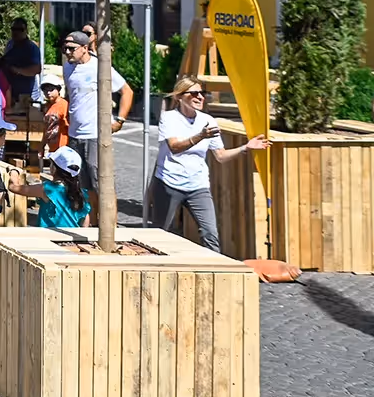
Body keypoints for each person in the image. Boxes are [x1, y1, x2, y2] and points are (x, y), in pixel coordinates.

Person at [150, 77, 268, 252]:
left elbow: (220, 155)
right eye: (194, 93)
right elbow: (174, 147)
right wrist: (200, 136)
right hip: (168, 183)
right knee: (159, 235)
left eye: (203, 93)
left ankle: (215, 271)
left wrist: (246, 147)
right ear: (180, 97)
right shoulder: (169, 118)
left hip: (198, 186)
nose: (200, 97)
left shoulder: (208, 120)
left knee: (210, 233)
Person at [63, 31, 131, 194]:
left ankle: (108, 220)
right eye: (64, 48)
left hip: (94, 134)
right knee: (80, 183)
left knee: (100, 182)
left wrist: (120, 120)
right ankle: (90, 219)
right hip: (74, 134)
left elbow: (127, 91)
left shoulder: (99, 67)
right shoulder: (67, 68)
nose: (67, 52)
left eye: (71, 49)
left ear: (84, 48)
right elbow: (71, 94)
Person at [8, 144, 91, 229]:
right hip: (71, 238)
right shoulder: (80, 193)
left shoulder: (47, 189)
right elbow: (85, 221)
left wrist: (14, 171)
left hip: (48, 237)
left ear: (54, 169)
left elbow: (13, 187)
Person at [1, 18, 42, 102]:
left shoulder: (31, 48)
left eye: (20, 29)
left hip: (26, 94)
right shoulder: (10, 44)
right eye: (14, 29)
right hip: (11, 92)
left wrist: (17, 70)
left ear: (26, 31)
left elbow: (37, 69)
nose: (16, 32)